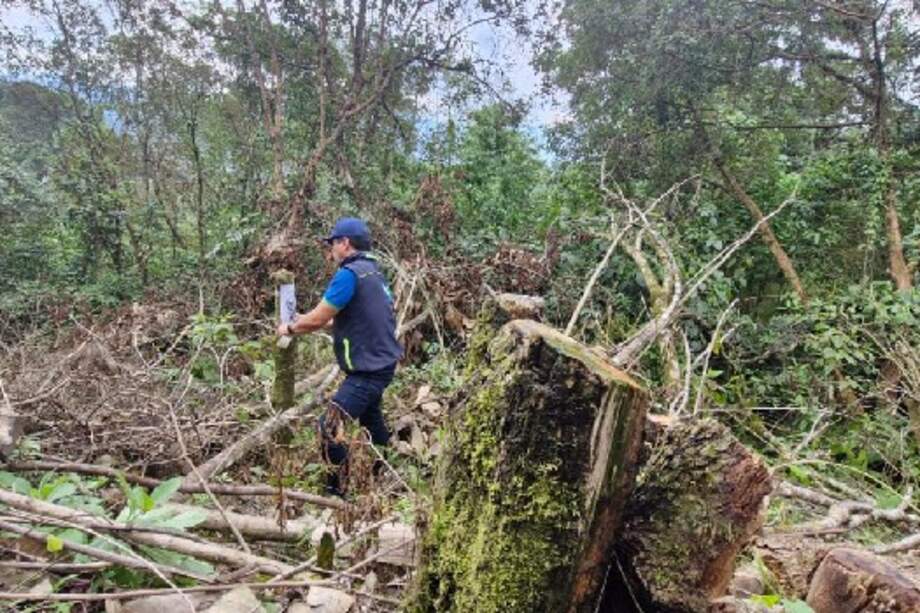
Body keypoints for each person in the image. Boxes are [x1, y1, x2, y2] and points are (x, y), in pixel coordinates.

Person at [276, 217, 403, 496]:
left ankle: (337, 493)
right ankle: (391, 473)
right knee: (372, 424)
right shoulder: (372, 271)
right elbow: (357, 316)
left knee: (328, 427)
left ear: (345, 243)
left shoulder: (348, 274)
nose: (331, 250)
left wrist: (291, 327)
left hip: (368, 370)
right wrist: (307, 321)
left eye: (333, 243)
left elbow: (319, 317)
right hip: (381, 362)